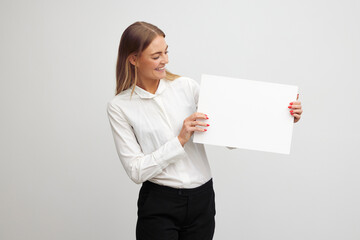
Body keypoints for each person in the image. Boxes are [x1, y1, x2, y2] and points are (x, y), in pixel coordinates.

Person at [107, 21, 303, 240]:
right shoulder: (120, 107)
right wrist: (180, 140)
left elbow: (230, 133)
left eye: (166, 52)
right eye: (156, 56)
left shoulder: (186, 87)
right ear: (134, 59)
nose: (166, 60)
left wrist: (281, 118)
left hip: (202, 200)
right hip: (159, 203)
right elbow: (136, 171)